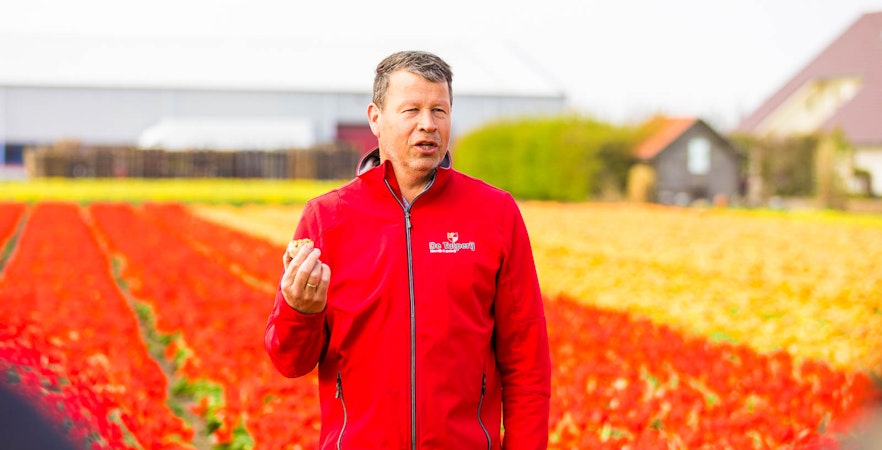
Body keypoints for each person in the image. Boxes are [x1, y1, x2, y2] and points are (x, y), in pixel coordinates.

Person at [265, 50, 551, 449]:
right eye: (411, 110)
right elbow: (289, 362)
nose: (428, 125)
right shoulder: (326, 219)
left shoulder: (495, 214)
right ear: (375, 118)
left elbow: (527, 362)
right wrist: (301, 311)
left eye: (439, 110)